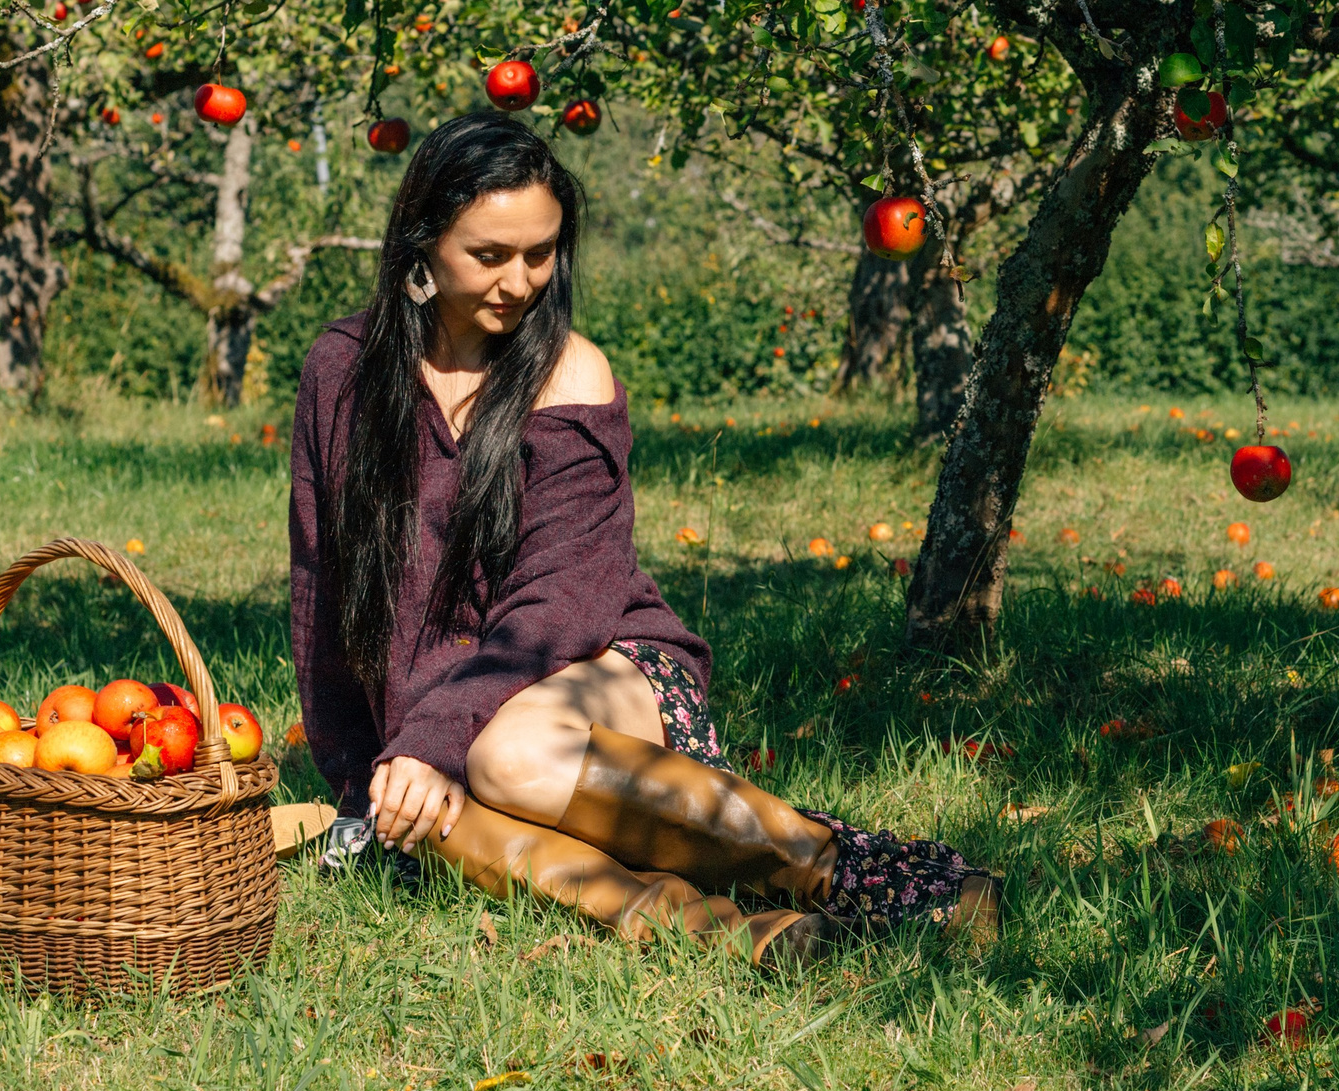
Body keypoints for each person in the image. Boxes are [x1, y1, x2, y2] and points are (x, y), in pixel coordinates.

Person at [289, 112, 994, 964]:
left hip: (593, 662)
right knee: (434, 815)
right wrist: (366, 775)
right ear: (422, 246)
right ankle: (744, 936)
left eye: (540, 253)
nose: (520, 281)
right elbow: (326, 583)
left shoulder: (568, 372)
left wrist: (432, 739)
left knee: (507, 756)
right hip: (451, 708)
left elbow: (561, 602)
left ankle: (843, 869)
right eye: (489, 255)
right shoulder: (344, 369)